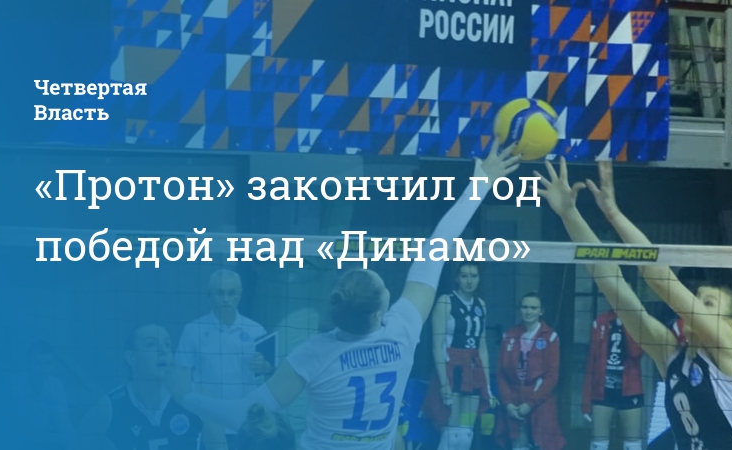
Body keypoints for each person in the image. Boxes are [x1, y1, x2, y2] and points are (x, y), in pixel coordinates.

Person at [167, 141, 521, 450]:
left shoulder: (313, 352)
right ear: (379, 312)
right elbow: (436, 249)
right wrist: (480, 184)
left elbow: (239, 414)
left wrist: (187, 396)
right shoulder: (401, 331)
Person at [535, 157, 732, 450]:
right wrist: (569, 213)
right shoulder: (671, 356)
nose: (693, 303)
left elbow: (658, 278)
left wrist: (614, 214)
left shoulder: (729, 350)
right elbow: (611, 283)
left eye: (707, 302)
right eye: (696, 296)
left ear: (729, 324)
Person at [73, 324, 226, 450]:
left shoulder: (198, 396)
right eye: (151, 344)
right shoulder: (109, 407)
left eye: (167, 345)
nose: (163, 351)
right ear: (131, 358)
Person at [175, 269, 272, 443]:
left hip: (246, 424)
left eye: (231, 293)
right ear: (209, 296)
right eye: (220, 293)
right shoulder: (193, 331)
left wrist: (266, 367)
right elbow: (181, 379)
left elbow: (271, 377)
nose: (226, 299)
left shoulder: (256, 330)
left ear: (240, 294)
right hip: (208, 424)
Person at [422, 261, 496, 450]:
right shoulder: (446, 302)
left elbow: (483, 347)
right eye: (464, 276)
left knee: (466, 432)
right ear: (457, 278)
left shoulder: (481, 305)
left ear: (479, 279)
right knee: (451, 433)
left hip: (473, 370)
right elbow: (437, 346)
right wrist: (444, 383)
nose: (469, 281)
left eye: (473, 276)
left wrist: (487, 385)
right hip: (452, 368)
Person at [494, 292, 565, 450]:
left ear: (541, 311)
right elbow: (501, 374)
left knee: (543, 444)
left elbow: (552, 377)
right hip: (514, 402)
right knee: (518, 444)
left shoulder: (551, 337)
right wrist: (507, 403)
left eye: (533, 308)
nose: (529, 311)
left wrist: (530, 403)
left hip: (540, 400)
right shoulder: (509, 335)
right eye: (525, 307)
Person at [581, 307, 645, 450]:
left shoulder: (637, 320)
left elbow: (636, 352)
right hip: (603, 389)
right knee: (599, 443)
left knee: (633, 443)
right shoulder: (601, 321)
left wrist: (627, 322)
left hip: (630, 389)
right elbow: (591, 361)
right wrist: (585, 401)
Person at [5, 341, 73, 450]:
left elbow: (65, 429)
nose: (42, 369)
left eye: (47, 363)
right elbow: (12, 433)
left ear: (53, 365)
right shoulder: (13, 386)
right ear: (28, 363)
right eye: (37, 363)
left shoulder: (56, 385)